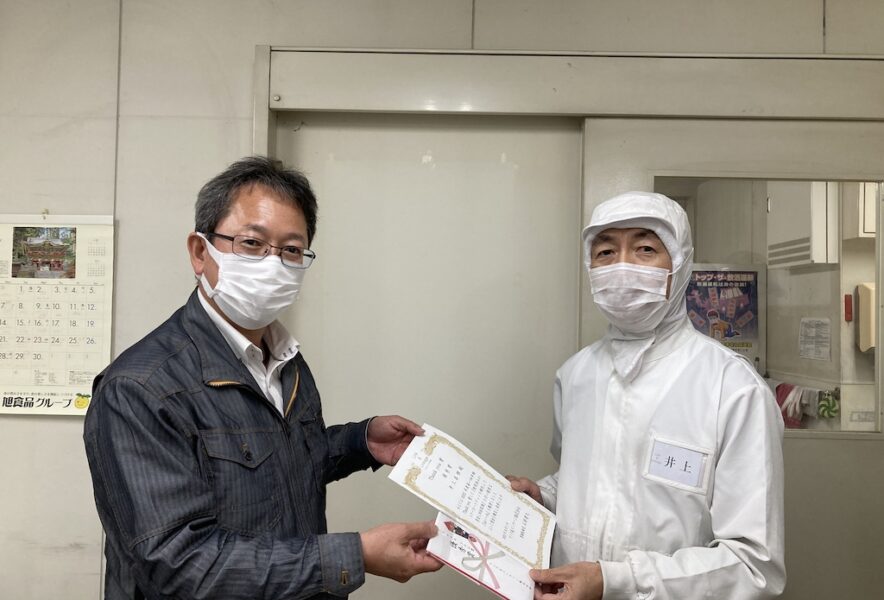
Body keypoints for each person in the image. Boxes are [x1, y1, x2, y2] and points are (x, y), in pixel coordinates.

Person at [83, 156, 441, 599]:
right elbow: (180, 563)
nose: (273, 265)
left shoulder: (284, 357)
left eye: (291, 250)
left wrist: (359, 442)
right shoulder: (139, 389)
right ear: (200, 252)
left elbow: (274, 465)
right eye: (252, 243)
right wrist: (356, 554)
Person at [509, 191, 785, 599]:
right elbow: (587, 479)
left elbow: (753, 566)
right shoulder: (576, 375)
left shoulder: (733, 389)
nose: (622, 267)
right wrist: (545, 496)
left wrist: (618, 581)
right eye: (606, 252)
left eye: (645, 249)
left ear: (681, 263)